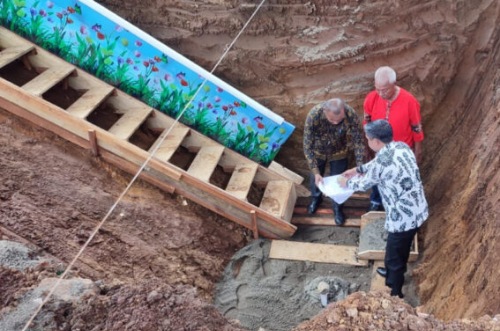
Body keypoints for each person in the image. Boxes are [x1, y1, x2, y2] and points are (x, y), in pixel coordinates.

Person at [338, 119, 428, 298]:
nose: (368, 142)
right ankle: (392, 272)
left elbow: (364, 184)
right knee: (397, 250)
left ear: (376, 141)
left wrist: (346, 181)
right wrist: (357, 169)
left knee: (395, 257)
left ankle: (395, 293)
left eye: (368, 139)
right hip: (418, 208)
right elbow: (377, 164)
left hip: (402, 219)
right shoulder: (401, 146)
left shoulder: (381, 162)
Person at [363, 66, 424, 211]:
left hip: (401, 152)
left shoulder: (409, 101)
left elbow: (416, 128)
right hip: (380, 150)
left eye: (385, 90)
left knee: (399, 180)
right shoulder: (371, 98)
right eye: (377, 89)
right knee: (378, 175)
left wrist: (417, 152)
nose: (381, 93)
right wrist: (368, 146)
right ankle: (377, 201)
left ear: (394, 83)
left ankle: (398, 204)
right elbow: (367, 122)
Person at [303, 98, 365, 225]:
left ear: (343, 111)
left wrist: (359, 167)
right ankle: (316, 198)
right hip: (318, 151)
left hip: (339, 151)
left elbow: (358, 141)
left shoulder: (350, 114)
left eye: (339, 120)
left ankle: (337, 207)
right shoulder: (314, 115)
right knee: (315, 179)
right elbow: (307, 146)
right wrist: (315, 172)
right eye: (332, 120)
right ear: (325, 111)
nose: (336, 123)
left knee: (340, 181)